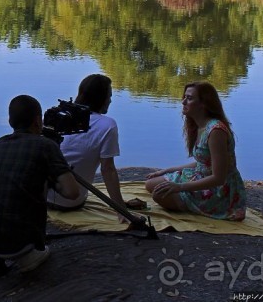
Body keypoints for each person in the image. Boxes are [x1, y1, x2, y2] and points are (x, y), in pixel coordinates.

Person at [0, 94, 80, 291]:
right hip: (18, 241)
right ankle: (26, 259)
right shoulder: (46, 146)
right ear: (38, 121)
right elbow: (72, 193)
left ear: (10, 121)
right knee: (39, 253)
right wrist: (55, 176)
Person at [145, 81, 246, 221]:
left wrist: (180, 187)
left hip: (218, 190)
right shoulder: (198, 126)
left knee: (159, 195)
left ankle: (194, 206)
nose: (183, 102)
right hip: (200, 176)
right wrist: (168, 170)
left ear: (204, 104)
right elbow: (203, 162)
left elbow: (219, 178)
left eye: (189, 98)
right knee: (151, 184)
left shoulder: (216, 131)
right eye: (184, 97)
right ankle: (187, 200)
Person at [45, 74, 126, 216]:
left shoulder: (57, 116)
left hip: (36, 197)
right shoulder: (107, 125)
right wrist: (121, 210)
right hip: (69, 201)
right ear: (102, 99)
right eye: (109, 96)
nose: (111, 100)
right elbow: (108, 170)